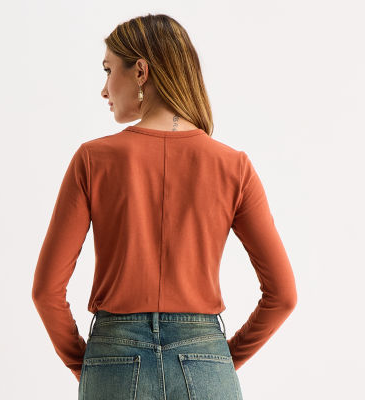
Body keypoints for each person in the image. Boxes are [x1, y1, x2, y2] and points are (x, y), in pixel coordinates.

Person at [32, 13, 297, 400]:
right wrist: (217, 360)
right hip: (206, 358)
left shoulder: (93, 159)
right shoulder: (233, 166)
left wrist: (87, 366)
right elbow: (283, 295)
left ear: (141, 71)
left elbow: (46, 291)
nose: (104, 90)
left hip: (114, 359)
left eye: (108, 70)